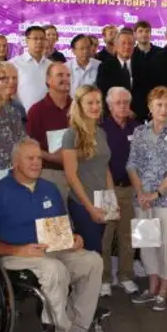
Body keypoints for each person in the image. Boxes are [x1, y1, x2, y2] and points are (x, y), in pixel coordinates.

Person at [0, 138, 103, 332]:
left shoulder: (49, 189)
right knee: (53, 269)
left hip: (52, 249)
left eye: (39, 158)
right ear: (15, 162)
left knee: (93, 261)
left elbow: (61, 229)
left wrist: (72, 239)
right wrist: (18, 250)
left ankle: (78, 329)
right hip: (14, 255)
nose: (37, 162)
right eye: (30, 158)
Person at [126, 87, 167, 312]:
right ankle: (151, 287)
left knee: (166, 245)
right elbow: (132, 163)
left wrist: (157, 193)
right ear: (150, 107)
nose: (163, 109)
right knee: (146, 243)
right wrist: (141, 193)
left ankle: (164, 288)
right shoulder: (140, 132)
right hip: (141, 199)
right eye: (158, 104)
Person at [62, 85, 114, 256]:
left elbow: (105, 168)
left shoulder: (102, 133)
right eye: (90, 102)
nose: (95, 107)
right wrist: (90, 208)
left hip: (101, 203)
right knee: (92, 255)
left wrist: (110, 202)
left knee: (97, 254)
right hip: (83, 204)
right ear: (79, 105)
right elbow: (71, 175)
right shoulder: (71, 135)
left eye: (98, 102)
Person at [99, 87, 141, 296]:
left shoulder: (137, 128)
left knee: (128, 236)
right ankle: (105, 278)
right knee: (106, 237)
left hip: (130, 189)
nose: (123, 106)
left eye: (126, 102)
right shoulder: (101, 128)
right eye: (118, 103)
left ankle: (126, 276)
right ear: (109, 106)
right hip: (107, 190)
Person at [26, 62, 73, 199]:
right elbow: (29, 146)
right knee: (55, 218)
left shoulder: (79, 108)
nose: (65, 78)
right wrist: (52, 157)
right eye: (60, 75)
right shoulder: (36, 111)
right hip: (49, 173)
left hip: (79, 173)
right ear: (48, 80)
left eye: (68, 75)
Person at [96, 28, 152, 121]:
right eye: (123, 43)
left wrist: (136, 112)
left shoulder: (144, 65)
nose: (127, 47)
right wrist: (122, 111)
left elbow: (146, 92)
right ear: (116, 45)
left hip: (138, 117)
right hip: (113, 116)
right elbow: (104, 93)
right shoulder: (105, 66)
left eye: (130, 43)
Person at [9, 26, 53, 111]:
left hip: (47, 114)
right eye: (35, 39)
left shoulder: (51, 65)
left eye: (42, 39)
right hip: (23, 116)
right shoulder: (14, 64)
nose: (39, 42)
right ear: (26, 41)